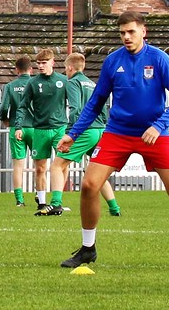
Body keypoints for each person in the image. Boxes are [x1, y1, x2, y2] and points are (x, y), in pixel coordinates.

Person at [56, 11, 169, 269]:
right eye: (122, 32)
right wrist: (72, 133)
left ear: (143, 31)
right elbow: (96, 102)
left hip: (155, 135)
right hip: (117, 133)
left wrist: (159, 126)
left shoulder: (159, 59)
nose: (126, 37)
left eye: (131, 31)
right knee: (89, 185)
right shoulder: (113, 61)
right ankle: (88, 249)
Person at [45, 53, 122, 218]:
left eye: (66, 69)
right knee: (97, 172)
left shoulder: (73, 82)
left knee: (57, 165)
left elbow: (76, 109)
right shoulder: (92, 84)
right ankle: (115, 208)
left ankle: (55, 204)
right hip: (100, 130)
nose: (66, 72)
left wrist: (71, 133)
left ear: (70, 68)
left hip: (85, 130)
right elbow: (102, 109)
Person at [16, 50, 74, 215]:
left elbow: (75, 103)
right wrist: (18, 126)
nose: (41, 66)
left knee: (62, 165)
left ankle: (57, 202)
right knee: (40, 168)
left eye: (44, 62)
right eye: (39, 63)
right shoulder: (33, 83)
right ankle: (42, 203)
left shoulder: (63, 81)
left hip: (60, 128)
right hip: (40, 130)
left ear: (53, 62)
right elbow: (23, 106)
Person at [0, 56, 33, 207]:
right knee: (41, 164)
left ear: (16, 70)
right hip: (35, 127)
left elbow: (4, 107)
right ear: (31, 69)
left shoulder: (10, 86)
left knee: (18, 166)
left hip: (16, 127)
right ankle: (41, 197)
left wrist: (4, 119)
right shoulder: (36, 84)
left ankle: (20, 200)